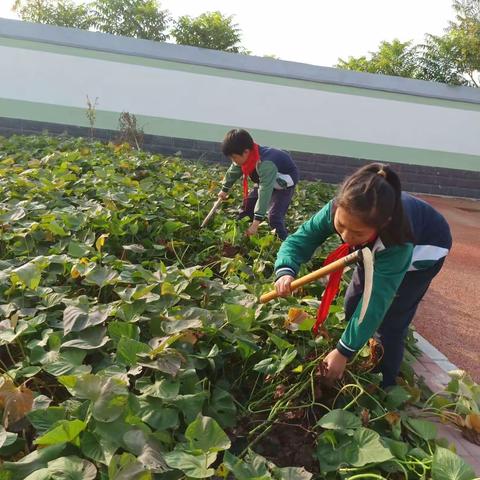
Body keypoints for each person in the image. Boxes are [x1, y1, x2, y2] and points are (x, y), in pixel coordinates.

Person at [274, 163, 452, 387]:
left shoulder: (397, 243)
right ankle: (357, 354)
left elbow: (376, 301)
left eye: (356, 232)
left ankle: (383, 384)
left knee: (390, 322)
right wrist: (285, 270)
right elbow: (300, 240)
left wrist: (343, 351)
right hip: (371, 248)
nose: (346, 236)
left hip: (424, 250)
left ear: (381, 225)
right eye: (341, 225)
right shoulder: (342, 209)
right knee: (352, 303)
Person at [218, 129, 299, 240]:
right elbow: (235, 169)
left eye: (234, 157)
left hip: (283, 184)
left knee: (274, 217)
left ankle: (286, 244)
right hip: (264, 180)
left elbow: (265, 191)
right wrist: (224, 189)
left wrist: (256, 223)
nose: (234, 161)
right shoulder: (246, 156)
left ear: (246, 151)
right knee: (247, 208)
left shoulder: (266, 164)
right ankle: (239, 238)